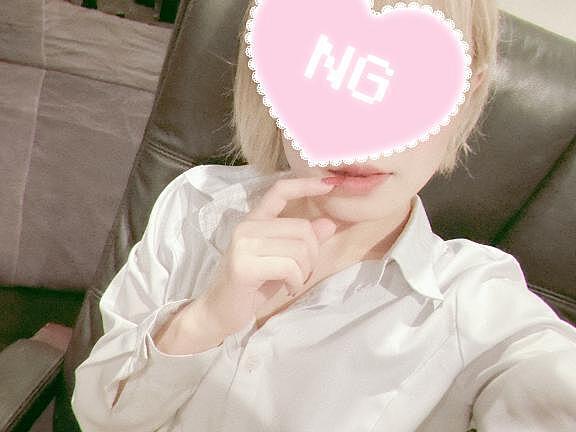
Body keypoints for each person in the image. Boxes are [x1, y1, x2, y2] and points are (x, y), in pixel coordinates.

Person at [71, 0, 576, 431]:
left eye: (407, 88)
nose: (362, 137)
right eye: (332, 75)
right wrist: (205, 319)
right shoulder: (197, 204)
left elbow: (546, 380)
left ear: (464, 101)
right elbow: (98, 417)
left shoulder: (473, 304)